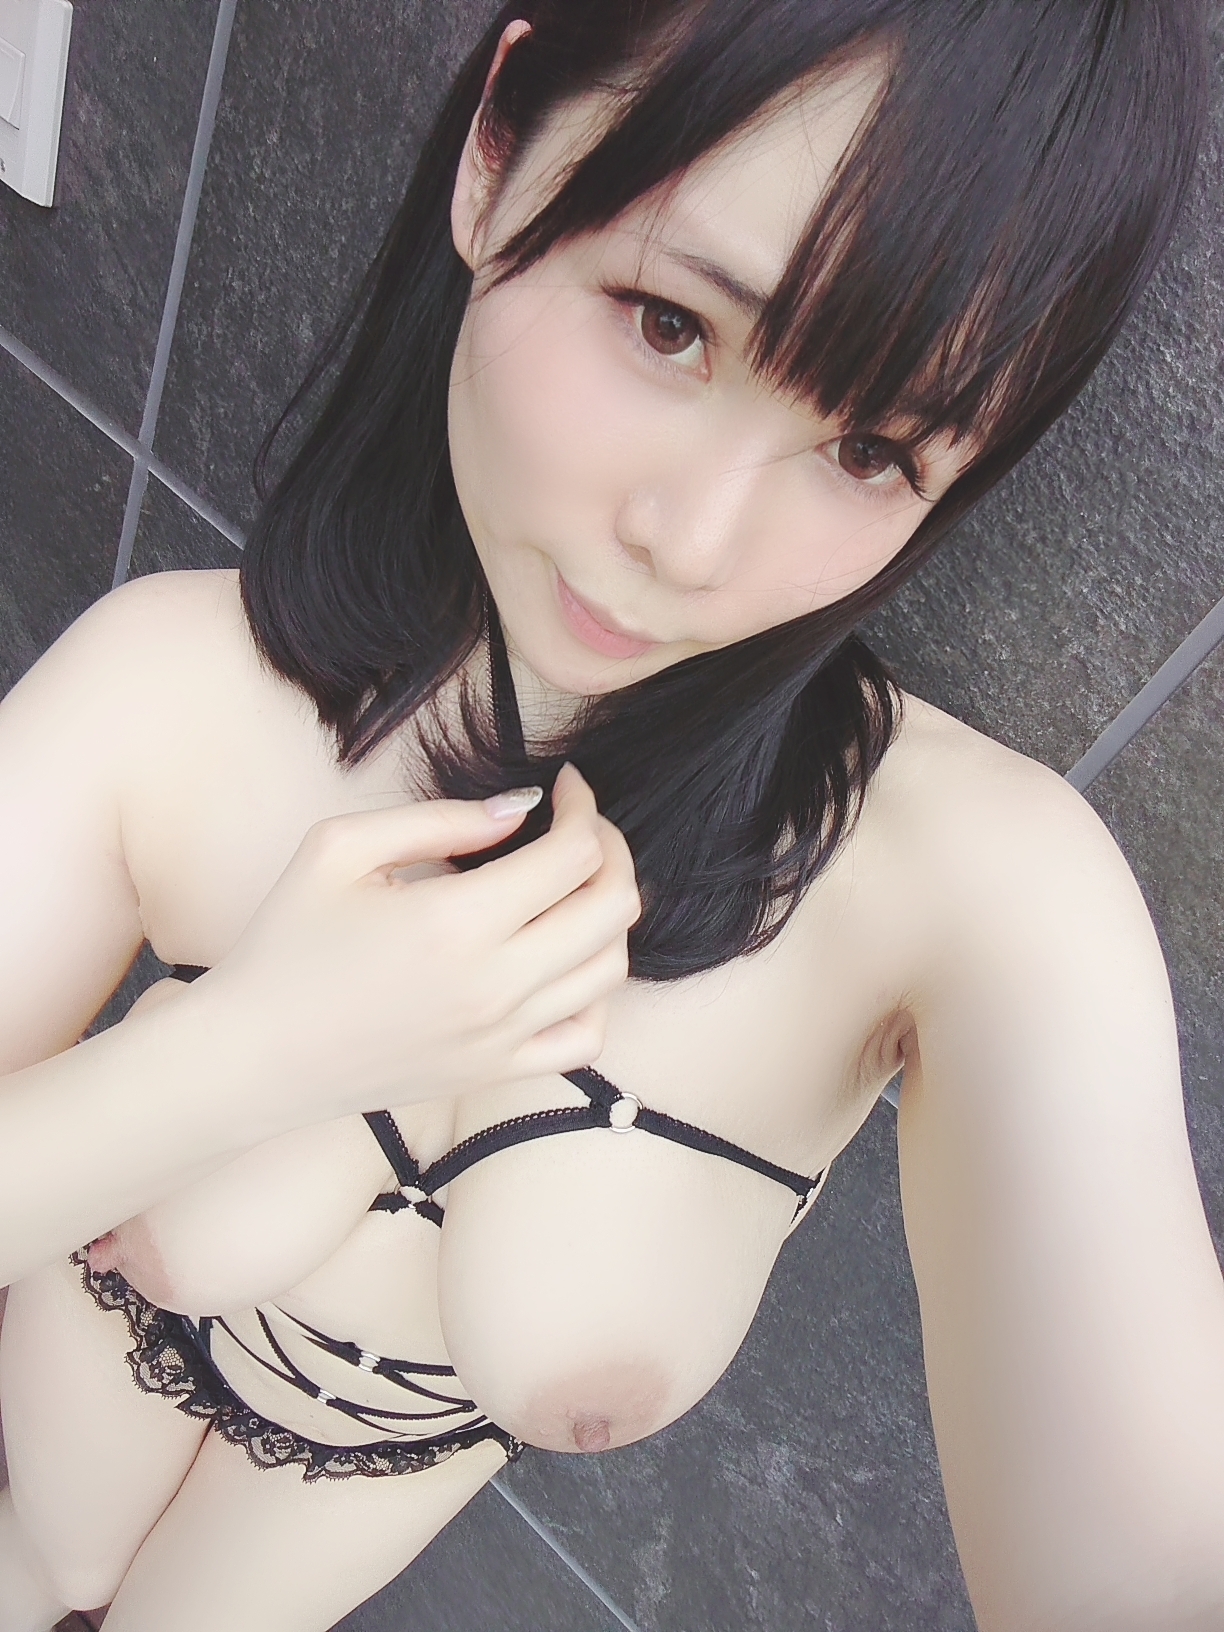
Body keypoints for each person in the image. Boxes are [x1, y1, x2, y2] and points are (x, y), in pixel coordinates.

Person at [0, 1, 1220, 1628]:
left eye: (869, 448)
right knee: (40, 1568)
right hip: (91, 1356)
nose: (693, 545)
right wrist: (251, 1050)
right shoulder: (169, 688)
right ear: (498, 155)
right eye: (668, 323)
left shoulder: (973, 898)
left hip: (355, 1484)